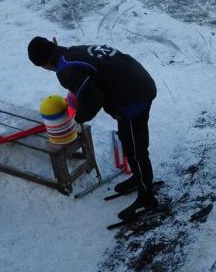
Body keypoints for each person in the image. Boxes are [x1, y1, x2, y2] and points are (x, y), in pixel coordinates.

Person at [26, 37, 159, 221]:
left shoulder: (65, 70)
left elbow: (95, 96)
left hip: (133, 95)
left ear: (43, 64)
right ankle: (139, 179)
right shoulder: (70, 52)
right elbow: (89, 80)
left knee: (136, 150)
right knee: (127, 140)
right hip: (137, 80)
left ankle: (147, 199)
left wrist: (80, 116)